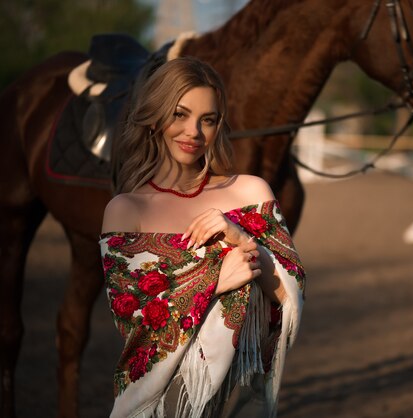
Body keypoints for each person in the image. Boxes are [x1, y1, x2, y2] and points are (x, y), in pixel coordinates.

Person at [99, 56, 305, 418]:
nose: (193, 131)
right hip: (163, 404)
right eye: (180, 114)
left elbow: (289, 300)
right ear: (155, 116)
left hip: (240, 400)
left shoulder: (250, 192)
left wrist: (242, 239)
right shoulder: (125, 210)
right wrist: (214, 279)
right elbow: (136, 326)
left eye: (207, 120)